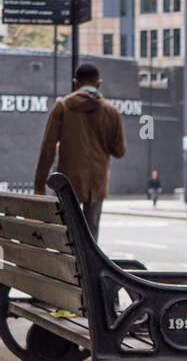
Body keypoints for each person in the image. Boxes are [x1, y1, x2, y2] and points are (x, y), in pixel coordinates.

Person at [34, 62, 126, 239]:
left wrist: (39, 185)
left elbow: (48, 148)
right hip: (97, 182)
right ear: (98, 84)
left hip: (68, 181)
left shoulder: (63, 107)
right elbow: (119, 151)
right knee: (91, 235)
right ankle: (88, 266)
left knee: (68, 233)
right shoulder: (111, 111)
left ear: (76, 83)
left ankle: (69, 265)